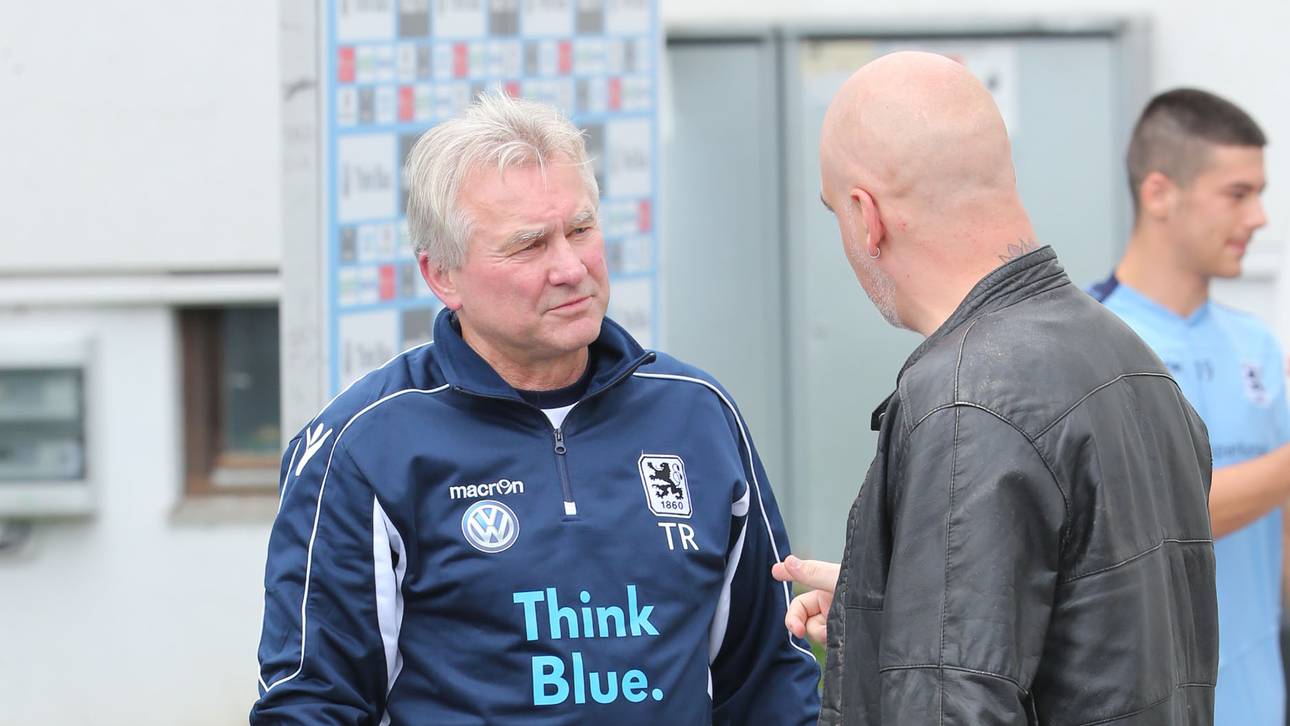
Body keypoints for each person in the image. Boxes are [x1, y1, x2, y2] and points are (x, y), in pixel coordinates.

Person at [251, 92, 820, 724]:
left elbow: (768, 673)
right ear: (442, 275)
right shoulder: (368, 444)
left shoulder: (697, 415)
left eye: (581, 230)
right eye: (529, 246)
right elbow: (314, 702)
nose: (571, 267)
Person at [773, 51, 1218, 724]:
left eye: (835, 211)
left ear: (868, 217)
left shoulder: (965, 403)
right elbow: (1096, 636)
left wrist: (927, 650)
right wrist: (886, 612)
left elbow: (951, 708)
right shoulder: (1132, 361)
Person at [1088, 88, 1290, 725]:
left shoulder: (1257, 343)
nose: (1258, 217)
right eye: (1237, 194)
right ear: (1159, 194)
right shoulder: (1093, 344)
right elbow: (1166, 518)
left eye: (1259, 192)